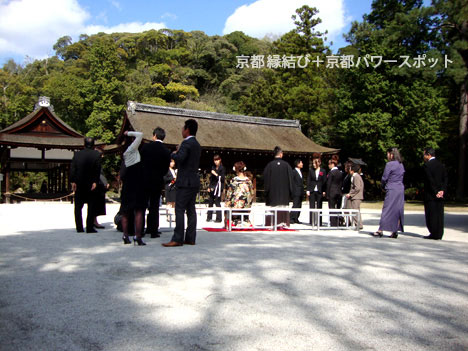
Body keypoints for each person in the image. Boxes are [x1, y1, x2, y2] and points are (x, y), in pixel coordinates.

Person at [162, 119, 201, 247]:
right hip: (194, 180)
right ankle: (190, 237)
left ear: (187, 129)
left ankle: (177, 238)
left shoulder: (186, 143)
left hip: (184, 181)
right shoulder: (197, 144)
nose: (182, 130)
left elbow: (180, 159)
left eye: (183, 128)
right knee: (191, 210)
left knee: (179, 209)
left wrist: (172, 154)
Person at [140, 127, 171, 238]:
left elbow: (141, 162)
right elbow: (165, 168)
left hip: (145, 179)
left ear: (154, 136)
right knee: (154, 206)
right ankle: (153, 230)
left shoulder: (146, 147)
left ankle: (141, 228)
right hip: (157, 180)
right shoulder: (166, 151)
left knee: (143, 205)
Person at [119, 131, 146, 246]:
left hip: (127, 185)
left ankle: (125, 235)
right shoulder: (132, 150)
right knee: (139, 210)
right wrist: (128, 132)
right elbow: (140, 135)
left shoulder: (125, 154)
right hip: (138, 184)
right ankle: (137, 236)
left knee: (126, 212)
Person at [70, 137, 101, 233]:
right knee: (91, 206)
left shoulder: (77, 154)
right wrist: (95, 181)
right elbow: (97, 169)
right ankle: (89, 227)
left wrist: (73, 181)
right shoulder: (96, 154)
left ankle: (79, 227)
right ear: (93, 145)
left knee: (78, 207)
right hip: (91, 183)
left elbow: (73, 168)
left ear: (84, 144)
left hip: (79, 182)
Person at [373, 147, 405, 238]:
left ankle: (380, 230)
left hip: (392, 187)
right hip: (400, 188)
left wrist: (383, 186)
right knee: (397, 209)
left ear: (391, 154)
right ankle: (394, 230)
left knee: (387, 209)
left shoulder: (389, 164)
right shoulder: (401, 164)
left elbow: (384, 178)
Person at [263, 146, 294, 228]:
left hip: (272, 194)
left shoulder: (269, 165)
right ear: (281, 154)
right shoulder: (287, 165)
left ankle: (271, 224)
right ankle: (283, 223)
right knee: (283, 207)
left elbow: (266, 179)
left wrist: (266, 191)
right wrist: (291, 192)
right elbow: (291, 179)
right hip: (284, 194)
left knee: (272, 207)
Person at [422, 147, 448, 240]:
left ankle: (433, 233)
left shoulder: (427, 166)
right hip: (440, 194)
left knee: (431, 214)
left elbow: (430, 181)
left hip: (430, 194)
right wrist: (442, 190)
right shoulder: (441, 165)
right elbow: (445, 179)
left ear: (428, 155)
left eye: (424, 154)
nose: (423, 156)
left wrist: (436, 191)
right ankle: (439, 233)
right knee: (439, 214)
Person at [224, 161, 255, 227]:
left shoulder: (234, 181)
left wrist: (227, 202)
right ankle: (245, 221)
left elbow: (229, 194)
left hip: (236, 204)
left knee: (231, 202)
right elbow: (252, 193)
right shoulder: (248, 181)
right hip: (246, 204)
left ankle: (234, 221)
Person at [307, 157, 327, 226]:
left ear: (319, 163)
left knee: (319, 206)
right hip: (312, 189)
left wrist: (324, 190)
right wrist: (308, 190)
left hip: (320, 190)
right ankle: (311, 221)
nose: (313, 165)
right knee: (311, 206)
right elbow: (309, 180)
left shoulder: (323, 171)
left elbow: (324, 181)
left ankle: (319, 221)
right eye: (313, 163)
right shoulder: (311, 170)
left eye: (315, 163)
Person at [206, 155, 225, 223]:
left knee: (217, 202)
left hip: (219, 187)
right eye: (215, 160)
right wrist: (209, 187)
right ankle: (209, 217)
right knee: (210, 201)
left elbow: (222, 178)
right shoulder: (213, 167)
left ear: (220, 160)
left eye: (217, 160)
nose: (216, 162)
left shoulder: (222, 168)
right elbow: (211, 179)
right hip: (212, 186)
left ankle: (218, 218)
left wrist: (216, 174)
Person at [346, 163, 364, 229]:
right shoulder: (355, 176)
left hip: (356, 197)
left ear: (352, 170)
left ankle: (358, 224)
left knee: (355, 210)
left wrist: (350, 194)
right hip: (356, 196)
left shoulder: (356, 176)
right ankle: (359, 224)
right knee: (356, 210)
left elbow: (357, 188)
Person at [326, 155, 343, 227]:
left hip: (332, 192)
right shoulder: (340, 172)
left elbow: (328, 184)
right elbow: (341, 183)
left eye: (329, 164)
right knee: (337, 208)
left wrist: (327, 194)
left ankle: (333, 222)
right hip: (338, 191)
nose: (328, 166)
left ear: (332, 164)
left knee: (332, 207)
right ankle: (338, 221)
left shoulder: (331, 173)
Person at [290, 159, 304, 224]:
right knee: (295, 204)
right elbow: (292, 182)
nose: (302, 164)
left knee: (299, 205)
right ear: (297, 164)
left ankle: (296, 218)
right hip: (296, 191)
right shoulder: (293, 172)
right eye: (301, 163)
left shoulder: (300, 171)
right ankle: (291, 218)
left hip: (300, 190)